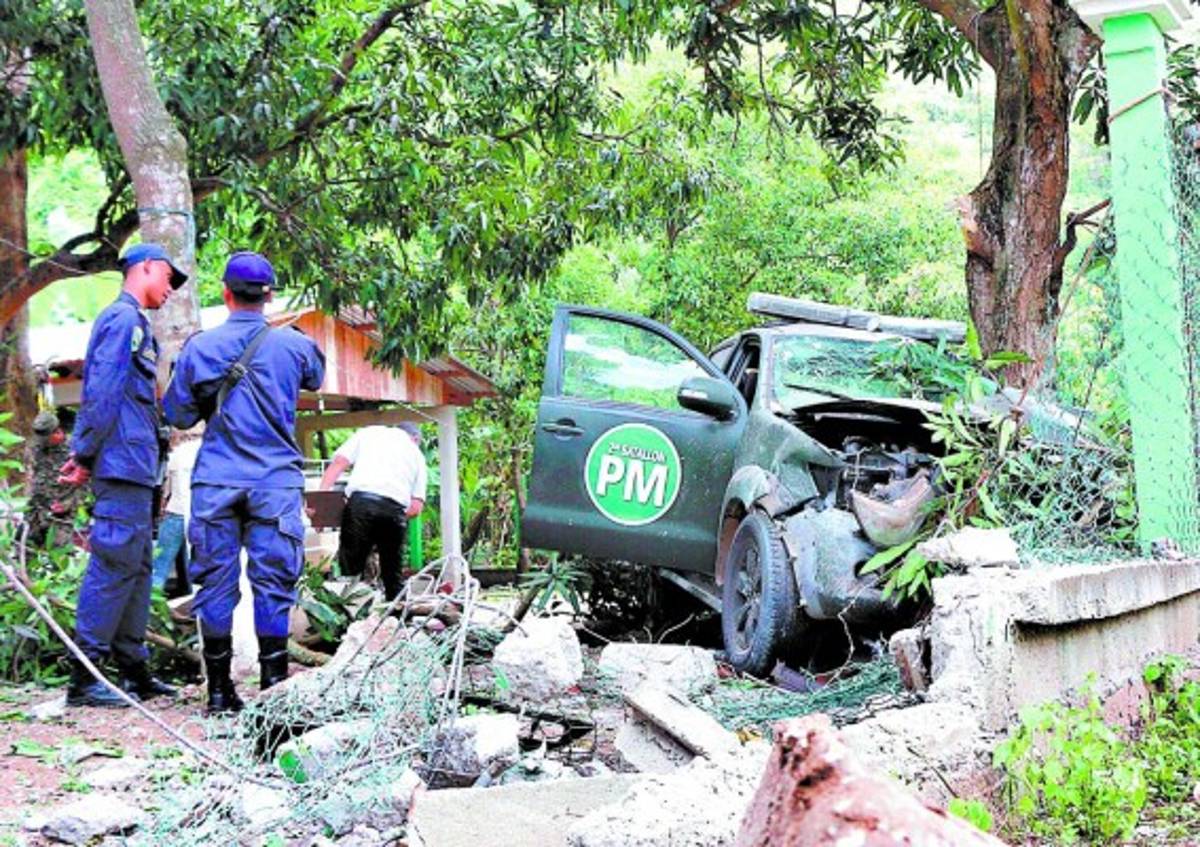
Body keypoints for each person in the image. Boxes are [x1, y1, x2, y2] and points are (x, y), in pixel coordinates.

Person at [163, 251, 324, 714]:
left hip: (216, 481)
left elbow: (178, 415)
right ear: (269, 296)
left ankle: (219, 693)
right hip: (274, 482)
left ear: (226, 293)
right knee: (273, 583)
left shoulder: (199, 347)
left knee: (214, 583)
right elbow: (316, 376)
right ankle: (273, 694)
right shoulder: (293, 345)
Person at [58, 242, 187, 708]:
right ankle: (84, 676)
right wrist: (84, 453)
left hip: (136, 468)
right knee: (114, 564)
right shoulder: (122, 320)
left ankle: (134, 670)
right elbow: (102, 390)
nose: (170, 289)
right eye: (168, 277)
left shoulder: (137, 324)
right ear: (145, 267)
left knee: (137, 566)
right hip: (119, 465)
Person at [319, 422, 427, 600]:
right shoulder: (416, 454)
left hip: (360, 506)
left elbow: (338, 463)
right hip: (394, 512)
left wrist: (321, 500)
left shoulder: (368, 433)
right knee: (392, 574)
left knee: (350, 571)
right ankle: (395, 610)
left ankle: (348, 610)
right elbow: (415, 508)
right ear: (415, 439)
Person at [151, 436, 201, 592]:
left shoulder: (176, 454)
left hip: (175, 512)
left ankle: (152, 601)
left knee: (160, 564)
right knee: (198, 565)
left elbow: (166, 490)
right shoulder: (210, 453)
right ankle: (194, 600)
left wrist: (160, 510)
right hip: (200, 515)